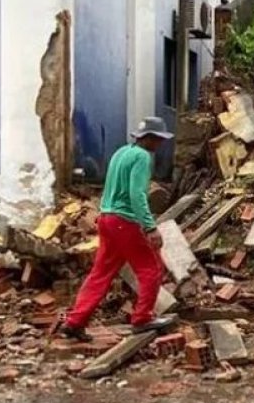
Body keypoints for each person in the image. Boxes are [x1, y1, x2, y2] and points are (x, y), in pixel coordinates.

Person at [59, 117, 177, 341]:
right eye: (158, 139)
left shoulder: (121, 152)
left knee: (100, 273)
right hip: (125, 221)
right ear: (149, 138)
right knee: (151, 267)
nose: (160, 144)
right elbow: (136, 194)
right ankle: (142, 318)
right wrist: (150, 226)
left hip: (107, 218)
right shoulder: (142, 157)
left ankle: (75, 322)